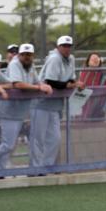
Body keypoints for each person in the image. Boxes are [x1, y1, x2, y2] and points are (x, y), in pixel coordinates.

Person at [0, 44, 53, 170]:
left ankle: (0, 171)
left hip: (20, 112)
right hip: (9, 111)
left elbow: (37, 82)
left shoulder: (31, 66)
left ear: (32, 56)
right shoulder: (15, 64)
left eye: (29, 55)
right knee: (7, 145)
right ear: (19, 55)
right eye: (24, 54)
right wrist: (38, 88)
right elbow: (18, 84)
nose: (26, 57)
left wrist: (44, 86)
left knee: (9, 145)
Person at [31, 35, 85, 168]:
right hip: (41, 103)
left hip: (55, 105)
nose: (66, 48)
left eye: (68, 46)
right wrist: (70, 85)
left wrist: (76, 83)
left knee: (55, 139)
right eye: (64, 46)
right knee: (38, 138)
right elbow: (50, 81)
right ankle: (35, 169)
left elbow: (70, 79)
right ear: (58, 47)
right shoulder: (55, 58)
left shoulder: (70, 59)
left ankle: (46, 166)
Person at [79, 53, 106, 120]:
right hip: (86, 95)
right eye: (92, 59)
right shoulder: (85, 71)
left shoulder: (102, 73)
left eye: (97, 59)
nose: (95, 60)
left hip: (98, 97)